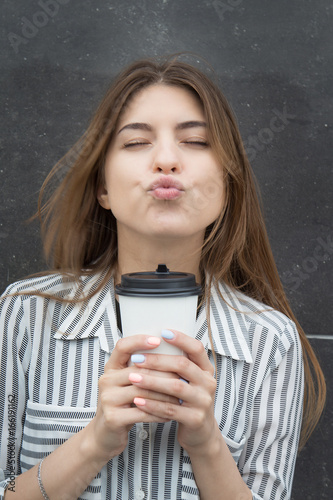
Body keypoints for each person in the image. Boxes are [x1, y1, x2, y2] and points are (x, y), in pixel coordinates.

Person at [0, 56, 326, 500]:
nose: (167, 160)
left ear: (228, 184)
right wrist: (93, 443)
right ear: (103, 188)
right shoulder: (25, 315)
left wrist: (208, 444)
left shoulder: (271, 343)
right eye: (136, 143)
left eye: (195, 141)